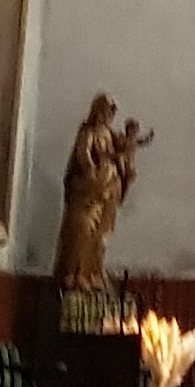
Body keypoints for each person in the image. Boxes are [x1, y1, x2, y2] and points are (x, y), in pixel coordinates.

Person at [54, 91, 151, 290]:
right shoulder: (88, 131)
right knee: (84, 231)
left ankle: (94, 273)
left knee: (102, 235)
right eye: (106, 112)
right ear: (97, 111)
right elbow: (83, 154)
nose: (108, 116)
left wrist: (137, 143)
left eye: (111, 113)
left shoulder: (110, 134)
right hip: (89, 193)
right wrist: (91, 171)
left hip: (109, 191)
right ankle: (77, 274)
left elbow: (125, 146)